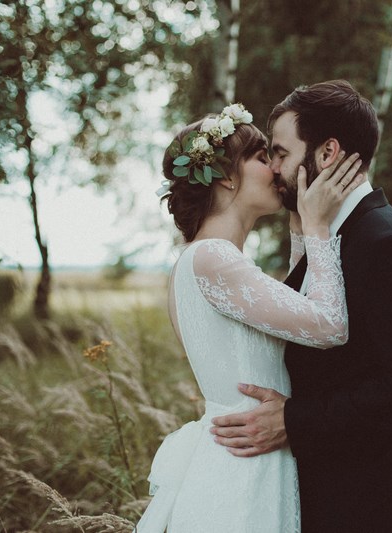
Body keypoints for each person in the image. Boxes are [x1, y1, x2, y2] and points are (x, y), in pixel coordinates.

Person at [210, 80, 392, 532]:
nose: (273, 167)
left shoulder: (384, 241)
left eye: (280, 153)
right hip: (338, 496)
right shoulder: (326, 236)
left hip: (381, 505)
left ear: (327, 153)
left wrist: (294, 421)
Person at [135, 103, 365, 532]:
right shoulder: (213, 258)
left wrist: (299, 226)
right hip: (242, 470)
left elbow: (295, 307)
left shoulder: (205, 260)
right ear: (225, 176)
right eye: (263, 158)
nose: (277, 170)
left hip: (251, 453)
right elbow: (330, 324)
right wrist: (317, 229)